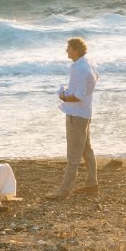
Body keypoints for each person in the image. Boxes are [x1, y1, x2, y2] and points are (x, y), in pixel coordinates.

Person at [53, 37, 99, 198]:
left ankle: (64, 190)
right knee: (86, 150)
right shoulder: (88, 63)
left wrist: (63, 96)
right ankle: (92, 184)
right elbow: (86, 88)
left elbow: (78, 96)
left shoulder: (79, 68)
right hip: (85, 112)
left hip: (76, 115)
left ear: (76, 50)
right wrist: (68, 92)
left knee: (73, 155)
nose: (66, 51)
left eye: (69, 48)